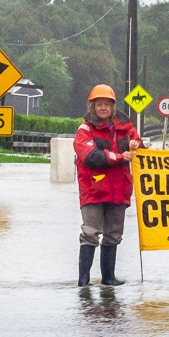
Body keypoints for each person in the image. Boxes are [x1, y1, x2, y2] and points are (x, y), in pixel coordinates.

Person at [73, 84, 142, 286]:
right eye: (99, 104)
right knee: (90, 233)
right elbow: (91, 157)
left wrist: (137, 145)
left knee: (113, 235)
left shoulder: (126, 127)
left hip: (119, 189)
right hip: (93, 191)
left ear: (113, 106)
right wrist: (120, 156)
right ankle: (83, 281)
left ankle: (108, 279)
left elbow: (141, 146)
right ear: (92, 107)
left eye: (107, 104)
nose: (103, 108)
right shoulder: (84, 130)